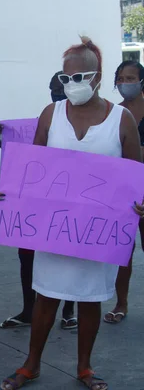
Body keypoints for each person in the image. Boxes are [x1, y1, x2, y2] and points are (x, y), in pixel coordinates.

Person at [0, 37, 144, 390]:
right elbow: (32, 170)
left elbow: (136, 175)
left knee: (90, 299)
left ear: (97, 76)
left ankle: (84, 368)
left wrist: (139, 202)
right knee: (47, 295)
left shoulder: (120, 119)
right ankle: (31, 365)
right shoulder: (51, 114)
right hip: (54, 231)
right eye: (66, 78)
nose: (71, 85)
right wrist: (6, 193)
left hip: (97, 233)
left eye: (80, 77)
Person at [0, 72, 77, 331]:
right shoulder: (45, 119)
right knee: (26, 254)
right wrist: (2, 140)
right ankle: (29, 309)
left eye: (61, 90)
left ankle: (69, 310)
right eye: (53, 90)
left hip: (68, 198)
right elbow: (26, 157)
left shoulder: (85, 124)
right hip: (36, 198)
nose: (57, 95)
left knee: (70, 252)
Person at [103, 60, 144, 324]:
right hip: (125, 192)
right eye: (120, 78)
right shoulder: (115, 114)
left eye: (130, 78)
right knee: (123, 252)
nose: (124, 83)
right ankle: (121, 303)